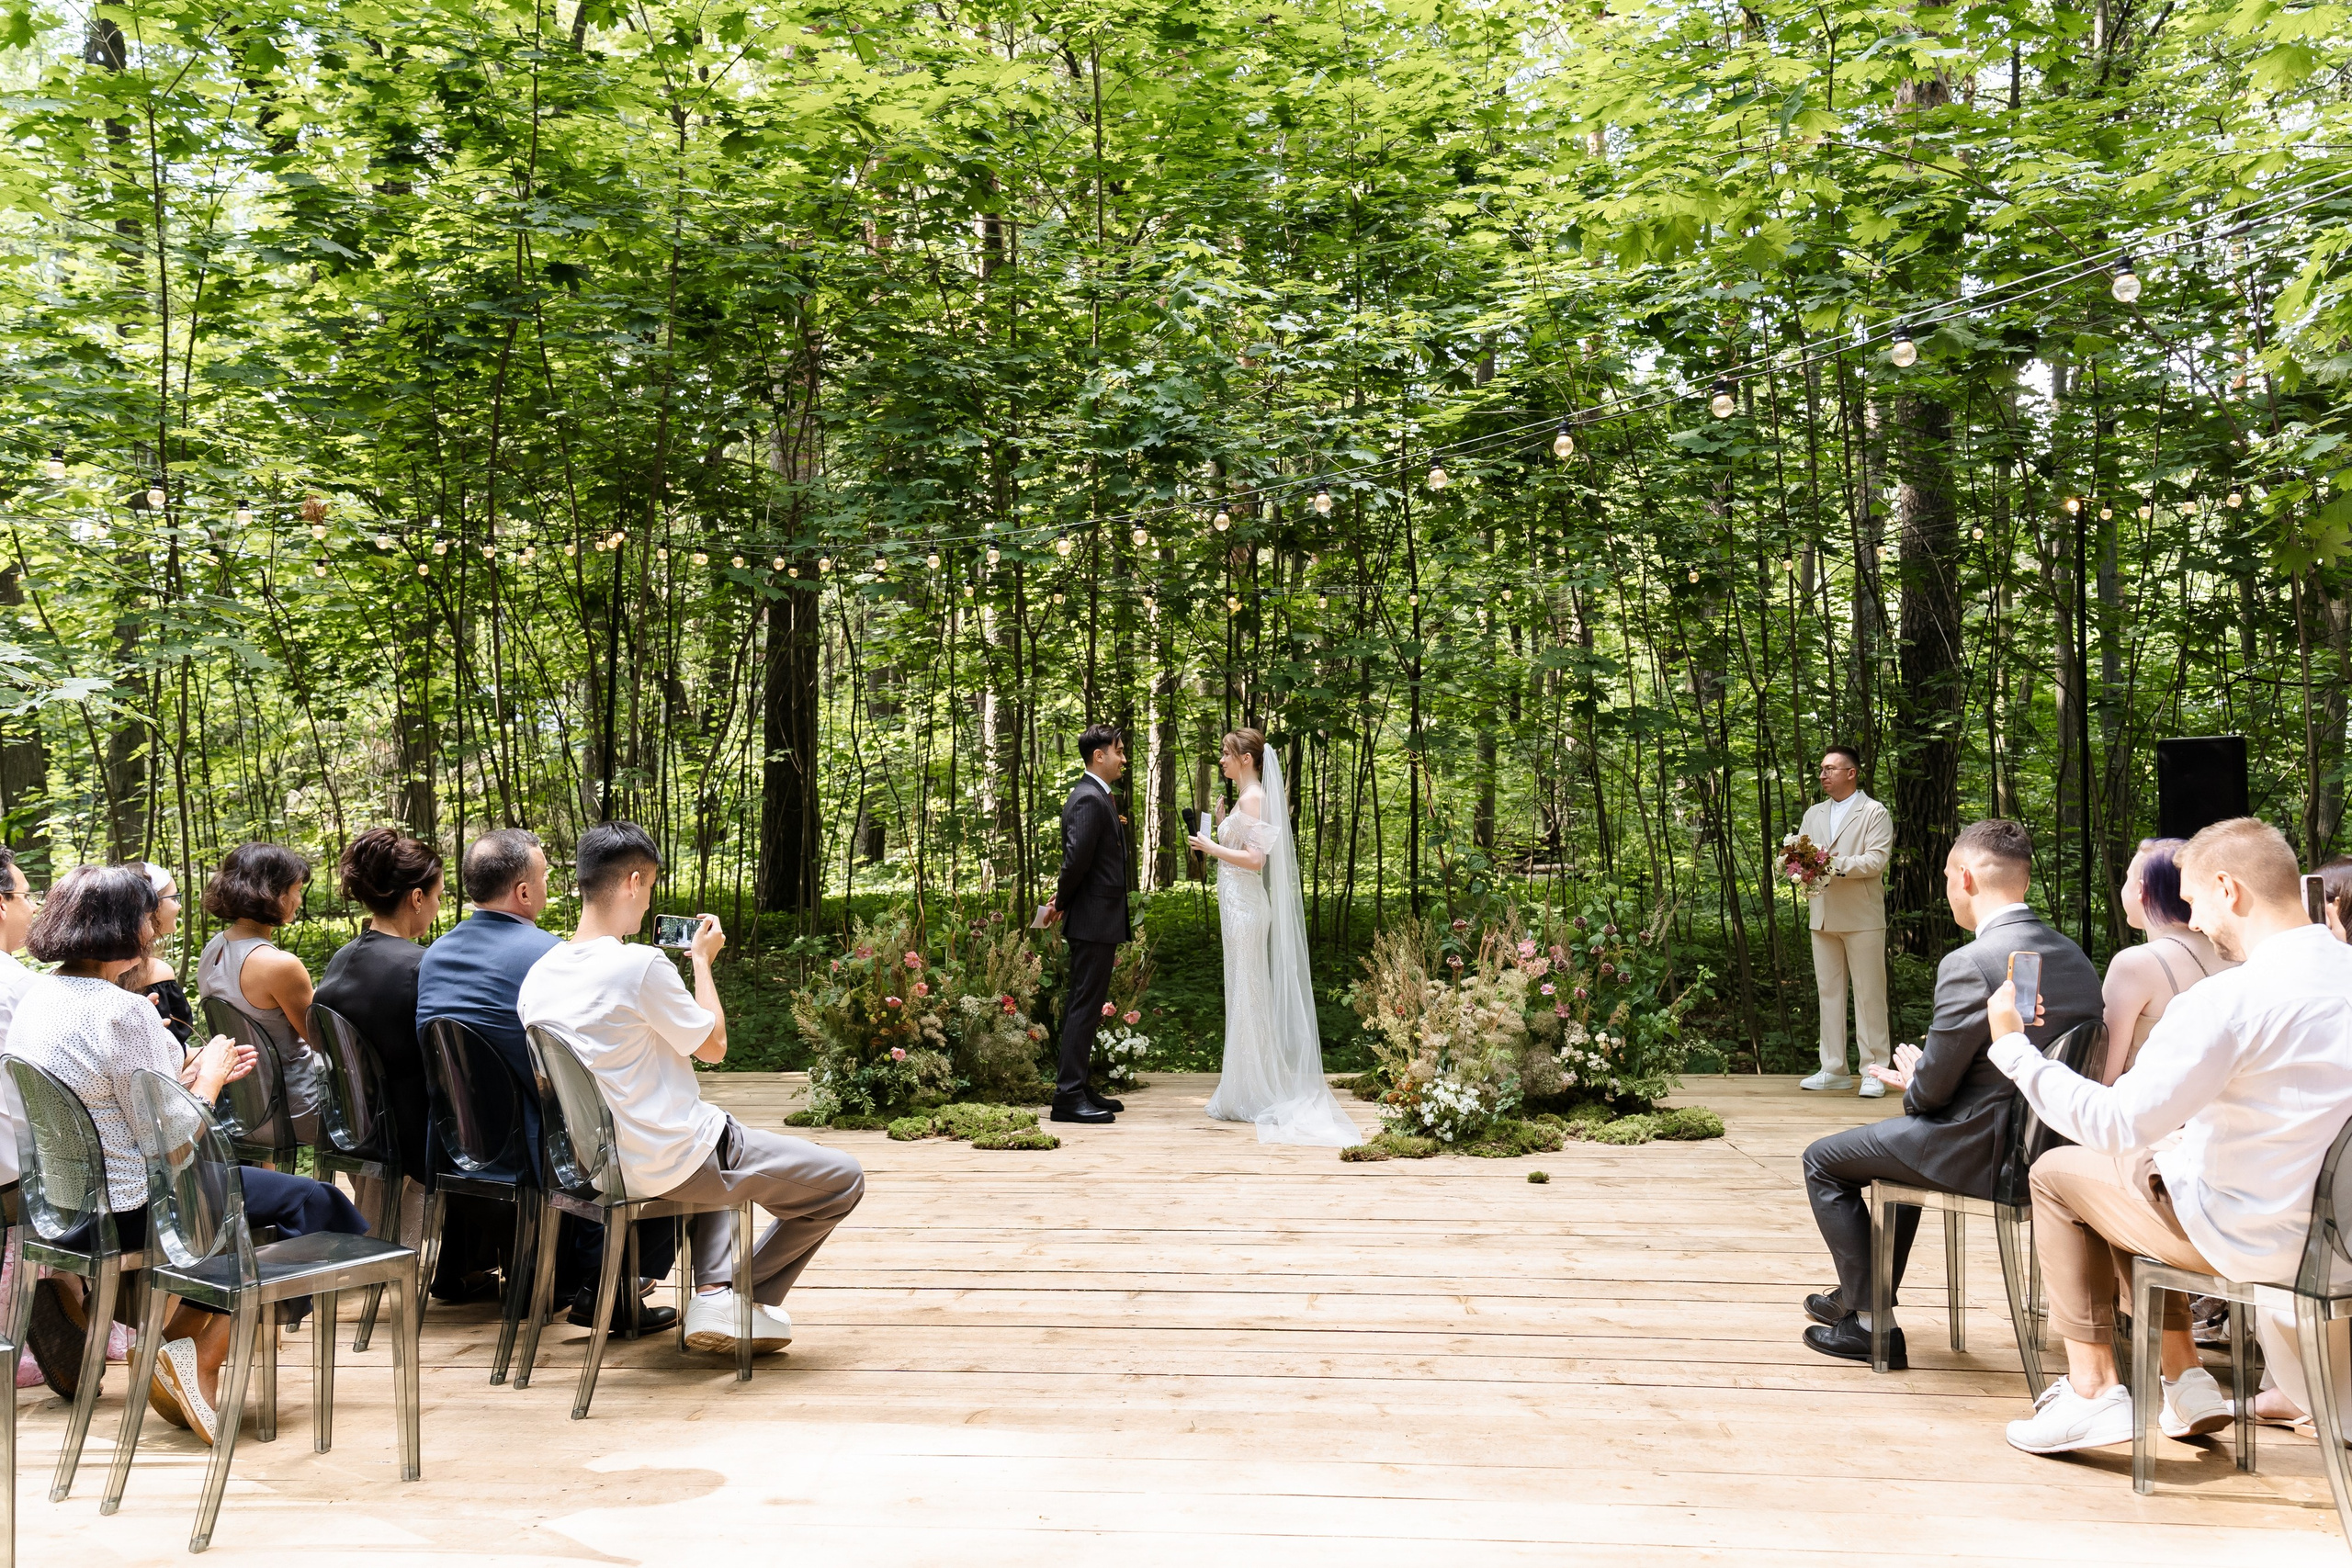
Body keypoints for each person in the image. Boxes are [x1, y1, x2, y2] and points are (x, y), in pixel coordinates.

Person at [1984, 817, 2352, 1455]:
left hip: (2257, 1239)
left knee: (2064, 1173)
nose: (2195, 919)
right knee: (2143, 1166)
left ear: (2228, 888)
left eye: (2195, 900)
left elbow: (2116, 1119)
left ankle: (2093, 1389)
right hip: (2341, 1240)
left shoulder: (2230, 1000)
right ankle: (2184, 1380)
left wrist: (2015, 1048)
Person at [7, 863, 366, 1445]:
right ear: (129, 927)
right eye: (151, 916)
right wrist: (214, 1078)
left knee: (279, 1204)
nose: (157, 927)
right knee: (315, 1204)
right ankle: (200, 1351)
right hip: (138, 1205)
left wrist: (190, 1070)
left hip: (64, 1207)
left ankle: (178, 1339)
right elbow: (173, 1142)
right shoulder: (122, 1010)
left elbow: (112, 1090)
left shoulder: (42, 995)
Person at [518, 821, 864, 1350]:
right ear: (633, 882)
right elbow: (714, 1046)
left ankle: (715, 1287)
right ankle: (737, 1300)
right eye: (651, 886)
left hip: (599, 1165)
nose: (648, 898)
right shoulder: (639, 965)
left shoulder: (538, 976)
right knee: (843, 1179)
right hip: (675, 1161)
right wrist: (702, 963)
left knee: (714, 1134)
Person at [1797, 818, 2102, 1367]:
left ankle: (1869, 1323)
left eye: (1944, 876)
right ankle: (1862, 1293)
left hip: (1984, 1148)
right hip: (2053, 1146)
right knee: (1887, 1159)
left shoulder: (1971, 963)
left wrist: (1916, 1080)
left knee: (1823, 1159)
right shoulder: (2075, 957)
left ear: (1964, 878)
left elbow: (1931, 1098)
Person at [414, 828, 674, 1325]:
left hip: (456, 1145)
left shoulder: (436, 956)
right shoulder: (549, 957)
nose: (551, 886)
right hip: (532, 1150)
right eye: (544, 877)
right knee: (658, 1136)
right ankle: (608, 1285)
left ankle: (587, 1276)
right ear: (524, 892)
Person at [1189, 728, 1361, 1146]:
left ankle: (1252, 1091)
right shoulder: (1246, 799)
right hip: (1237, 909)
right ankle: (1245, 1084)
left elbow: (1254, 861)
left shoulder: (1255, 798)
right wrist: (1217, 820)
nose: (1223, 760)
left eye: (1227, 755)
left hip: (1246, 910)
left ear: (1246, 759)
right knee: (1244, 992)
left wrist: (1211, 847)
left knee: (1249, 993)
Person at [312, 828, 444, 1240]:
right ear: (416, 897)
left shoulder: (342, 958)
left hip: (351, 1123)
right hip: (408, 1130)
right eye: (437, 897)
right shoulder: (419, 965)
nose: (437, 908)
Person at [197, 842, 322, 1141]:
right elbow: (321, 1039)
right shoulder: (279, 965)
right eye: (296, 889)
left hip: (238, 1107)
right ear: (274, 893)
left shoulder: (212, 950)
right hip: (294, 1110)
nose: (299, 900)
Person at [1041, 725, 1130, 1126]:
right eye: (1119, 751)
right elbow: (1075, 861)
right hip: (1092, 918)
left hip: (1100, 917)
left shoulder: (1098, 797)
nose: (1124, 759)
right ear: (1099, 756)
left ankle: (1080, 1085)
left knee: (1091, 1006)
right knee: (1083, 1005)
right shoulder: (1088, 799)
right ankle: (1067, 1097)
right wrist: (1062, 901)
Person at [1796, 747, 1895, 1096]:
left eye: (1830, 769)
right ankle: (1833, 1068)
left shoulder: (1874, 812)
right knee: (1829, 993)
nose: (1823, 775)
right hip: (1822, 915)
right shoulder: (1813, 813)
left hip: (1862, 916)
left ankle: (1875, 1070)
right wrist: (1796, 866)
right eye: (1821, 769)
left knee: (1869, 996)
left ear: (1851, 773)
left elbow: (1876, 861)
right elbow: (1801, 853)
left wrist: (1829, 865)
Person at [2098, 839, 2232, 1084]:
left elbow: (2103, 1074)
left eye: (2127, 878)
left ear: (2141, 890)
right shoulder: (2236, 953)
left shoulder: (2135, 964)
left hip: (2153, 1116)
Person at [118, 861, 190, 1044]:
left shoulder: (103, 963)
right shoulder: (157, 971)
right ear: (152, 906)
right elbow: (175, 1048)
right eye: (174, 898)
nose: (178, 906)